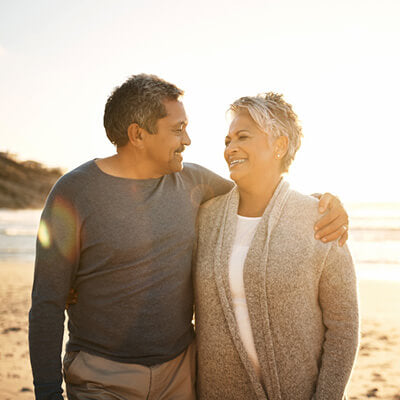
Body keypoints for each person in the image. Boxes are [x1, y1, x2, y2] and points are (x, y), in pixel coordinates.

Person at [29, 74, 349, 400]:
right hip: (103, 378)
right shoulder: (72, 194)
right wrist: (47, 392)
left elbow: (261, 195)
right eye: (177, 129)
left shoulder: (193, 183)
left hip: (179, 376)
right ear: (138, 134)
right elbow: (46, 304)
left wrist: (319, 203)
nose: (188, 140)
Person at [194, 93, 359, 400]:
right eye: (227, 140)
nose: (230, 148)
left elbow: (343, 328)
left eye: (243, 137)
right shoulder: (204, 218)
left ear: (280, 146)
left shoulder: (320, 218)